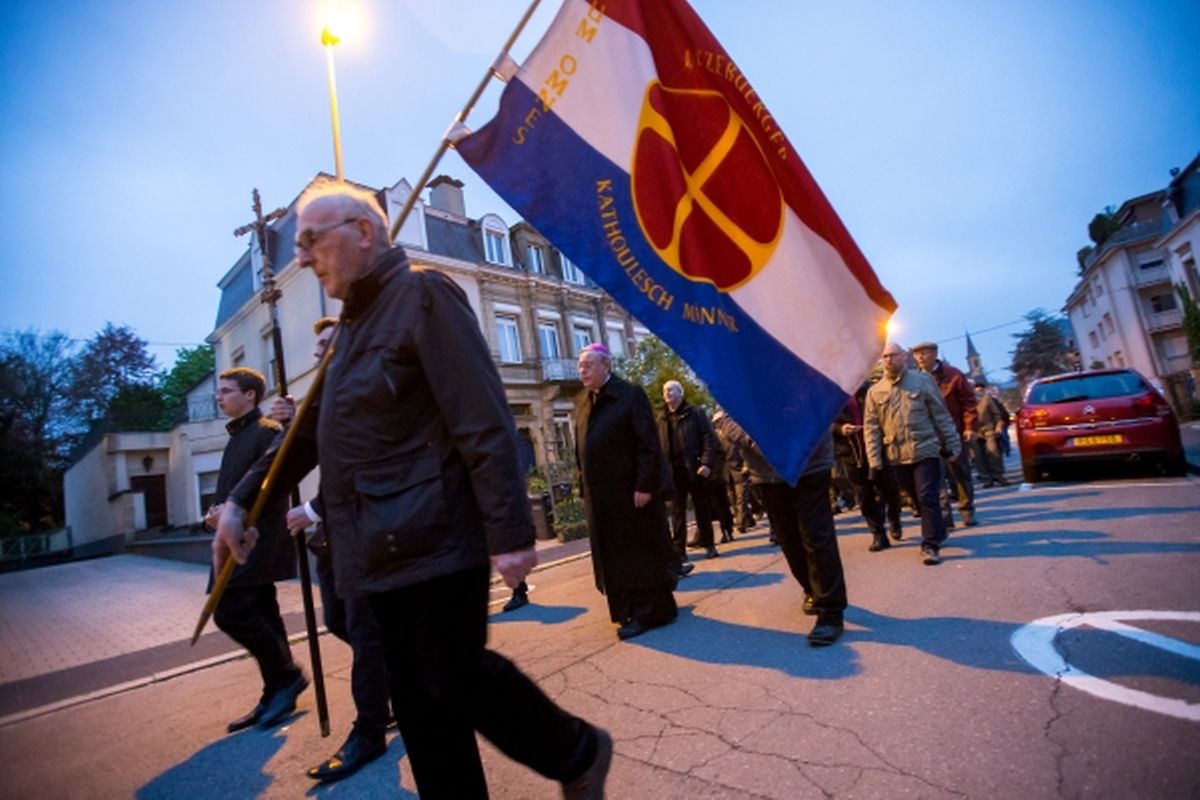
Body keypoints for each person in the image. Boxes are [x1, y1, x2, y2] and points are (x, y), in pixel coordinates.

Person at [214, 179, 611, 798]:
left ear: (364, 232)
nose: (302, 256)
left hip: (435, 534)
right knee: (424, 712)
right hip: (372, 549)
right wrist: (244, 500)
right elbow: (305, 438)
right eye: (298, 244)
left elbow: (483, 417)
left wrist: (510, 531)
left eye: (314, 240)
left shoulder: (423, 295)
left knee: (455, 675)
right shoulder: (349, 331)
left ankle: (576, 750)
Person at [269, 317, 392, 784]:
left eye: (326, 343)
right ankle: (391, 687)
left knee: (366, 631)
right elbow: (306, 453)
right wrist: (288, 425)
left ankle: (370, 729)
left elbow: (364, 463)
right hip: (334, 536)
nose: (316, 352)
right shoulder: (326, 398)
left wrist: (313, 509)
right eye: (315, 345)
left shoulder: (365, 389)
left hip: (363, 529)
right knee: (340, 622)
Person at [206, 367, 307, 733]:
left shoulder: (265, 431)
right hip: (239, 537)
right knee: (264, 612)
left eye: (226, 391)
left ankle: (287, 676)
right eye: (219, 392)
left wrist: (235, 515)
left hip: (256, 540)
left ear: (250, 395)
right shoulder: (239, 435)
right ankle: (275, 691)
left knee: (230, 612)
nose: (219, 397)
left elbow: (273, 483)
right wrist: (215, 514)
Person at [576, 343, 680, 640]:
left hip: (629, 494)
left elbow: (647, 443)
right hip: (600, 498)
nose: (582, 370)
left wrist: (645, 484)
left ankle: (648, 612)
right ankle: (626, 609)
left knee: (636, 556)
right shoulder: (583, 402)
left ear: (606, 366)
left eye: (588, 365)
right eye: (580, 365)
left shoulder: (629, 394)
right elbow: (580, 447)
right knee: (614, 557)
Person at [719, 415, 848, 646]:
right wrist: (758, 442)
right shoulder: (743, 377)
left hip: (810, 460)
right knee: (789, 538)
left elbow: (825, 400)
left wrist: (800, 439)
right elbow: (726, 416)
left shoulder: (808, 377)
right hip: (767, 469)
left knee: (816, 536)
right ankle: (811, 588)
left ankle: (830, 612)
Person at [863, 342, 962, 565]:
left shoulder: (922, 381)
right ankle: (937, 529)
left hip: (925, 449)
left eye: (893, 355)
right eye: (885, 356)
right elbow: (871, 428)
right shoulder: (875, 391)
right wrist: (875, 458)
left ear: (903, 357)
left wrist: (953, 444)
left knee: (927, 495)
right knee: (913, 498)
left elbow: (940, 414)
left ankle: (930, 545)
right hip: (896, 454)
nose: (888, 360)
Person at [911, 341, 979, 528]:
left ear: (934, 354)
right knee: (935, 478)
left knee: (960, 473)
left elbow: (968, 402)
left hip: (954, 432)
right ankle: (945, 518)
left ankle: (967, 510)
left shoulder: (953, 375)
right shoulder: (913, 378)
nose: (920, 358)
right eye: (916, 355)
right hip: (928, 436)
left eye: (923, 354)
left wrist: (969, 427)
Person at [658, 380, 720, 559]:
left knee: (702, 508)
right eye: (665, 390)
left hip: (694, 468)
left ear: (680, 393)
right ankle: (679, 550)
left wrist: (706, 463)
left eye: (670, 390)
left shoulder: (695, 413)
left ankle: (708, 544)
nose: (667, 393)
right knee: (677, 511)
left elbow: (709, 438)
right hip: (673, 472)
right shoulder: (661, 418)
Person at [831, 384, 891, 552]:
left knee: (886, 488)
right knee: (863, 493)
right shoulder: (832, 395)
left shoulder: (869, 389)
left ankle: (893, 518)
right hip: (850, 451)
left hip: (877, 448)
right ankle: (878, 533)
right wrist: (840, 429)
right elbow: (825, 422)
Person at [973, 383, 1009, 487]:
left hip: (988, 429)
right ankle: (986, 478)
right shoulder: (964, 402)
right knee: (977, 456)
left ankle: (998, 475)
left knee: (993, 452)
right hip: (973, 431)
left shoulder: (986, 399)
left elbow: (997, 415)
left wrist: (998, 427)